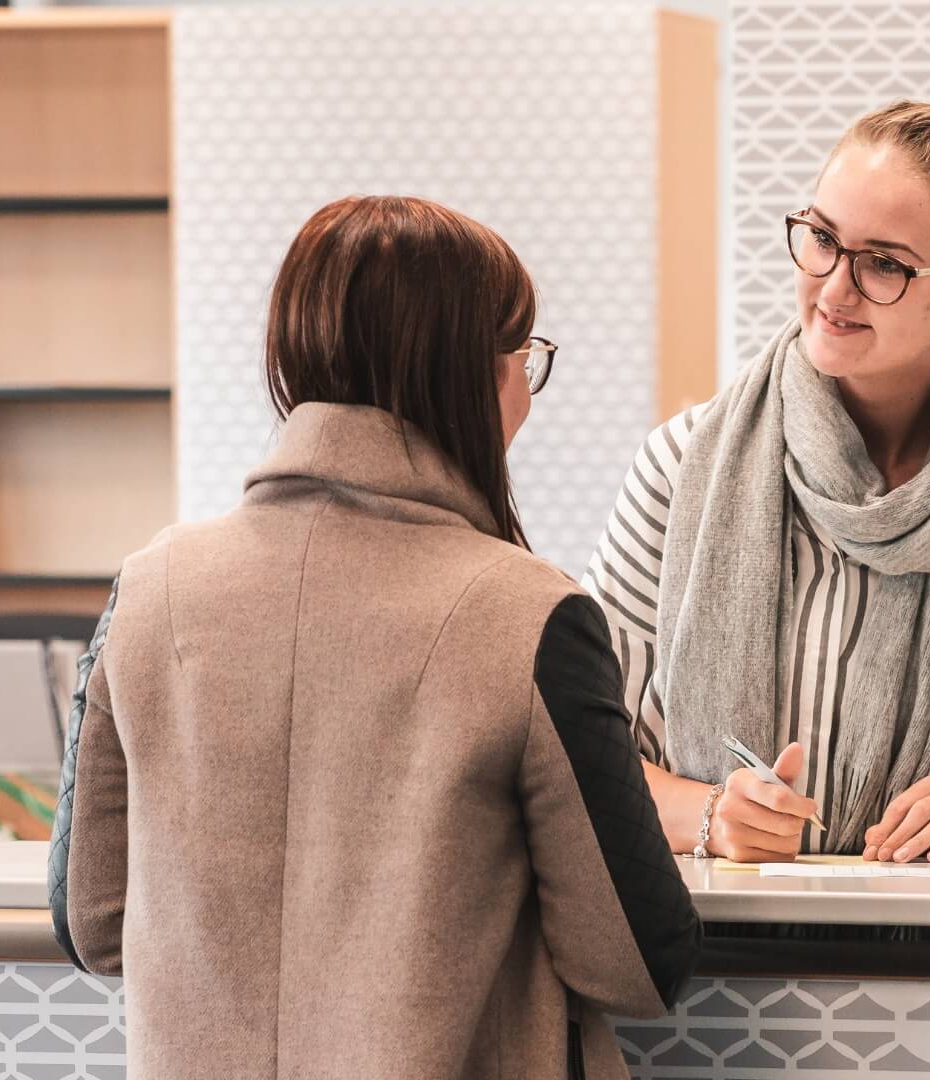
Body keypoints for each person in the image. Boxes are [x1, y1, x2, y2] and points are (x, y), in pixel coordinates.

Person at [48, 195, 701, 1079]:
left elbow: (91, 922)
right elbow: (632, 959)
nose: (525, 394)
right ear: (465, 375)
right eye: (523, 359)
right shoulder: (531, 615)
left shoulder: (148, 591)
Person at [583, 101, 930, 929]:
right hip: (692, 969)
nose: (833, 287)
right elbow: (588, 739)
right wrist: (707, 815)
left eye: (883, 263)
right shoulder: (682, 466)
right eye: (820, 238)